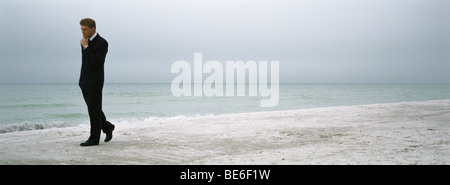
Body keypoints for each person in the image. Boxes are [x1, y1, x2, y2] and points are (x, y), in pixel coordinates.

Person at [79, 18, 115, 146]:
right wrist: (81, 80)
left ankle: (94, 139)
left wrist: (86, 47)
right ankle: (107, 127)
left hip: (95, 81)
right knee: (94, 108)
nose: (83, 32)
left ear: (93, 29)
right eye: (81, 29)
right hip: (84, 80)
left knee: (93, 110)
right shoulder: (84, 41)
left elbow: (96, 62)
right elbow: (85, 63)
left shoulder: (102, 43)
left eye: (85, 29)